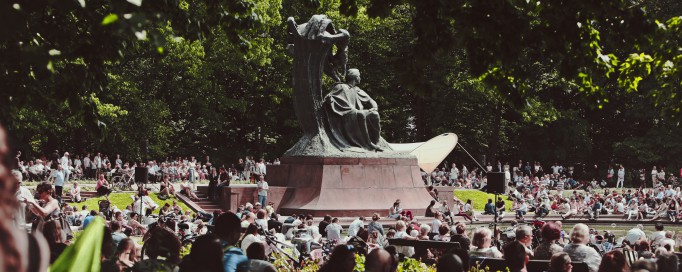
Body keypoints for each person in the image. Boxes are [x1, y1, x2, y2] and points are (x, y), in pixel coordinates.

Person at [324, 68, 384, 152]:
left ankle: (376, 143)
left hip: (355, 112)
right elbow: (329, 96)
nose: (360, 78)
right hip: (345, 113)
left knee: (374, 114)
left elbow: (371, 100)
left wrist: (374, 107)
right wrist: (329, 99)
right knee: (360, 114)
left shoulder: (357, 90)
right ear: (355, 77)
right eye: (359, 76)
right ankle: (368, 143)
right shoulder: (341, 86)